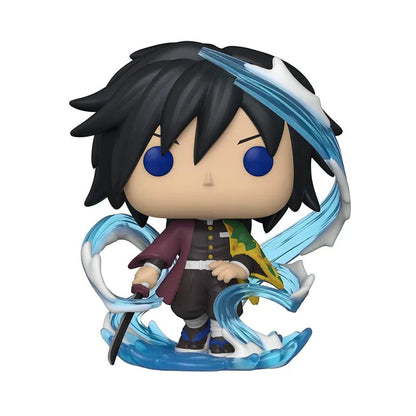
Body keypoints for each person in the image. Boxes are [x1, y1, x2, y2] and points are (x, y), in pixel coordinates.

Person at [71, 41, 342, 355]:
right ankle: (194, 331)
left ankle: (220, 334)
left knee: (221, 308)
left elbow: (251, 252)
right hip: (186, 278)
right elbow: (163, 250)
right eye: (160, 162)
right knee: (188, 308)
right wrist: (150, 270)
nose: (209, 179)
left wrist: (240, 267)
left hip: (223, 282)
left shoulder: (237, 231)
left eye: (256, 161)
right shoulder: (180, 229)